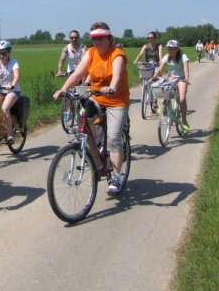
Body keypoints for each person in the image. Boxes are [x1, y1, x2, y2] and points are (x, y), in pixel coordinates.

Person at [53, 21, 130, 196]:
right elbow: (78, 74)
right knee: (84, 122)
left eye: (101, 38)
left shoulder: (117, 54)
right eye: (94, 39)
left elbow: (117, 75)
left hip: (116, 100)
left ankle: (116, 177)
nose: (97, 42)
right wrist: (63, 89)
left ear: (109, 38)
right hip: (97, 97)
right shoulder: (91, 53)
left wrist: (112, 87)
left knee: (114, 137)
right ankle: (97, 153)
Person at [149, 39, 190, 132]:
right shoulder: (166, 57)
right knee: (163, 95)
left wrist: (187, 79)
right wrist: (153, 77)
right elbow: (160, 69)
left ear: (177, 49)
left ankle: (184, 120)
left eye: (172, 48)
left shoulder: (183, 57)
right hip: (171, 79)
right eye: (168, 48)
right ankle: (168, 111)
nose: (169, 50)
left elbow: (186, 69)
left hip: (181, 79)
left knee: (182, 99)